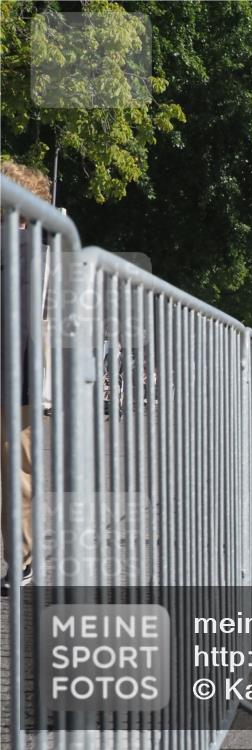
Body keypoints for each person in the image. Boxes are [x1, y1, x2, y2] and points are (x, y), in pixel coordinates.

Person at [1, 161, 53, 595]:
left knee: (18, 471)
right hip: (20, 376)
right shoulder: (39, 245)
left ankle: (22, 561)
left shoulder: (23, 245)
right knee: (18, 472)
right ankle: (21, 561)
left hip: (15, 373)